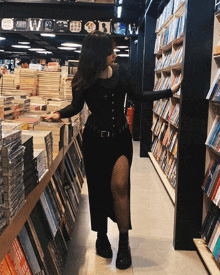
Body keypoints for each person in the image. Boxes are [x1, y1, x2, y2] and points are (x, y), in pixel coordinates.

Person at [41, 30, 182, 270]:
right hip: (95, 141)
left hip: (119, 140)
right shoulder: (82, 80)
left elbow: (139, 96)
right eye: (110, 51)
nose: (115, 54)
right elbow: (76, 107)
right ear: (99, 55)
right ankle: (102, 237)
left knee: (119, 186)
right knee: (97, 189)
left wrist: (169, 91)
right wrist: (58, 113)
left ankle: (124, 243)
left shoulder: (122, 73)